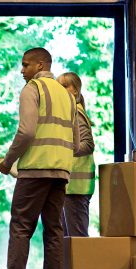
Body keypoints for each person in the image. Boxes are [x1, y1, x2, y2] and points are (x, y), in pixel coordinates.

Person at [0, 48, 94, 269]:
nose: (22, 70)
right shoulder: (67, 96)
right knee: (53, 232)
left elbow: (27, 131)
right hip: (60, 174)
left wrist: (8, 162)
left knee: (21, 228)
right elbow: (77, 143)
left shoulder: (33, 89)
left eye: (25, 65)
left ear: (40, 64)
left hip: (34, 172)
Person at [56, 72, 96, 237]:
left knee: (77, 240)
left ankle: (83, 264)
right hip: (70, 187)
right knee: (67, 240)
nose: (61, 90)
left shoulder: (76, 113)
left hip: (77, 188)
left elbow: (88, 145)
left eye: (65, 86)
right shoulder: (70, 112)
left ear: (76, 90)